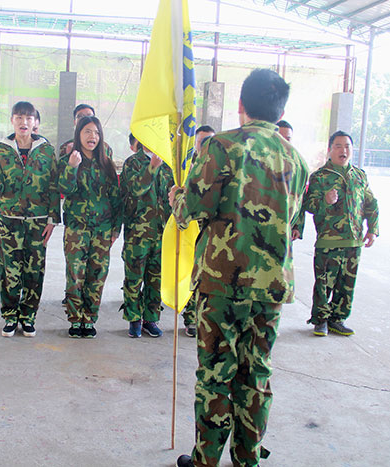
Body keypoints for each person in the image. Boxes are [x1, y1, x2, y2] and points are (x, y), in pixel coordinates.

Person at [169, 69, 308, 467]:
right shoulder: (295, 159)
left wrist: (177, 195)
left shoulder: (221, 146)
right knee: (256, 376)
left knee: (216, 373)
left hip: (222, 284)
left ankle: (206, 461)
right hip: (270, 288)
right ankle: (247, 459)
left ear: (241, 105)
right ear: (280, 108)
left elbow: (192, 210)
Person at [0, 101, 59, 338]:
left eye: (28, 118)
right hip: (10, 221)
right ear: (12, 120)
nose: (24, 122)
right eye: (19, 118)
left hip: (37, 221)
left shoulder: (46, 151)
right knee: (10, 271)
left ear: (35, 122)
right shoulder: (1, 151)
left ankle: (28, 317)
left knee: (34, 271)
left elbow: (53, 186)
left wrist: (52, 219)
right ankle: (10, 316)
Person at [293, 130, 378, 337]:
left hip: (354, 241)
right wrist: (325, 200)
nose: (344, 150)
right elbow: (308, 205)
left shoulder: (359, 175)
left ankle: (337, 319)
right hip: (328, 241)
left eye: (347, 146)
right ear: (330, 150)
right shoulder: (320, 177)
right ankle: (320, 320)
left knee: (346, 284)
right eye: (338, 146)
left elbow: (371, 203)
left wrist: (372, 230)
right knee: (324, 282)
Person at [58, 116, 121, 338]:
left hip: (102, 229)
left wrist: (116, 229)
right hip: (77, 228)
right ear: (78, 134)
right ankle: (76, 319)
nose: (91, 136)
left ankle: (90, 318)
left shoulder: (106, 164)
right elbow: (65, 189)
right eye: (87, 131)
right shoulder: (69, 159)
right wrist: (72, 167)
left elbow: (115, 197)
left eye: (95, 132)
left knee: (97, 274)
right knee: (75, 274)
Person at [120, 139, 174, 338]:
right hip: (138, 233)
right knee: (134, 277)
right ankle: (134, 318)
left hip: (162, 233)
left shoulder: (169, 166)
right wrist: (151, 168)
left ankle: (151, 318)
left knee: (156, 278)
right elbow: (135, 189)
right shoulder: (132, 163)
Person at [181, 124, 217, 337]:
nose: (205, 145)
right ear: (194, 144)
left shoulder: (219, 165)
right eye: (201, 141)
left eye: (209, 141)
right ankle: (190, 317)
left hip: (211, 231)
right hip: (189, 226)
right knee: (190, 273)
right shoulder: (186, 166)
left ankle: (202, 316)